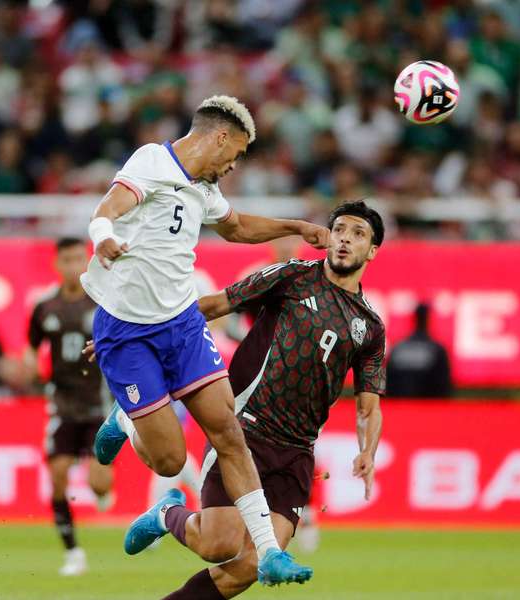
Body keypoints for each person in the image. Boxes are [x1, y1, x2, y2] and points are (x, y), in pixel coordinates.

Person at [85, 95, 328, 585]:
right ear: (219, 136)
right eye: (234, 154)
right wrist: (102, 235)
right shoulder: (153, 161)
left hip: (183, 327)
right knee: (171, 459)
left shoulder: (201, 188)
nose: (234, 165)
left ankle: (268, 553)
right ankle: (127, 424)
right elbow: (108, 206)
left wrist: (296, 226)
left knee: (228, 433)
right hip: (128, 334)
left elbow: (236, 226)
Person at [99, 200, 386, 599]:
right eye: (339, 229)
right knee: (219, 545)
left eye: (358, 235)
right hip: (244, 431)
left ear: (371, 251)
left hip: (298, 451)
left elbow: (368, 403)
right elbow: (216, 303)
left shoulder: (370, 327)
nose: (344, 240)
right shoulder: (292, 277)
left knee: (248, 568)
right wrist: (134, 329)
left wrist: (367, 450)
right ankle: (168, 513)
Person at [24, 238, 114, 577]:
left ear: (87, 261)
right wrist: (29, 364)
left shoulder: (103, 301)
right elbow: (31, 346)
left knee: (99, 484)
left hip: (98, 403)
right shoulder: (45, 308)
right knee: (58, 476)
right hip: (61, 404)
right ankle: (73, 552)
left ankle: (104, 490)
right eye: (66, 259)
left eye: (79, 258)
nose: (73, 265)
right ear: (57, 265)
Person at [386, 303, 453, 398]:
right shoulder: (437, 350)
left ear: (414, 318)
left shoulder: (398, 348)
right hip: (427, 409)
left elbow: (387, 384)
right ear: (428, 319)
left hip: (399, 408)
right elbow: (443, 388)